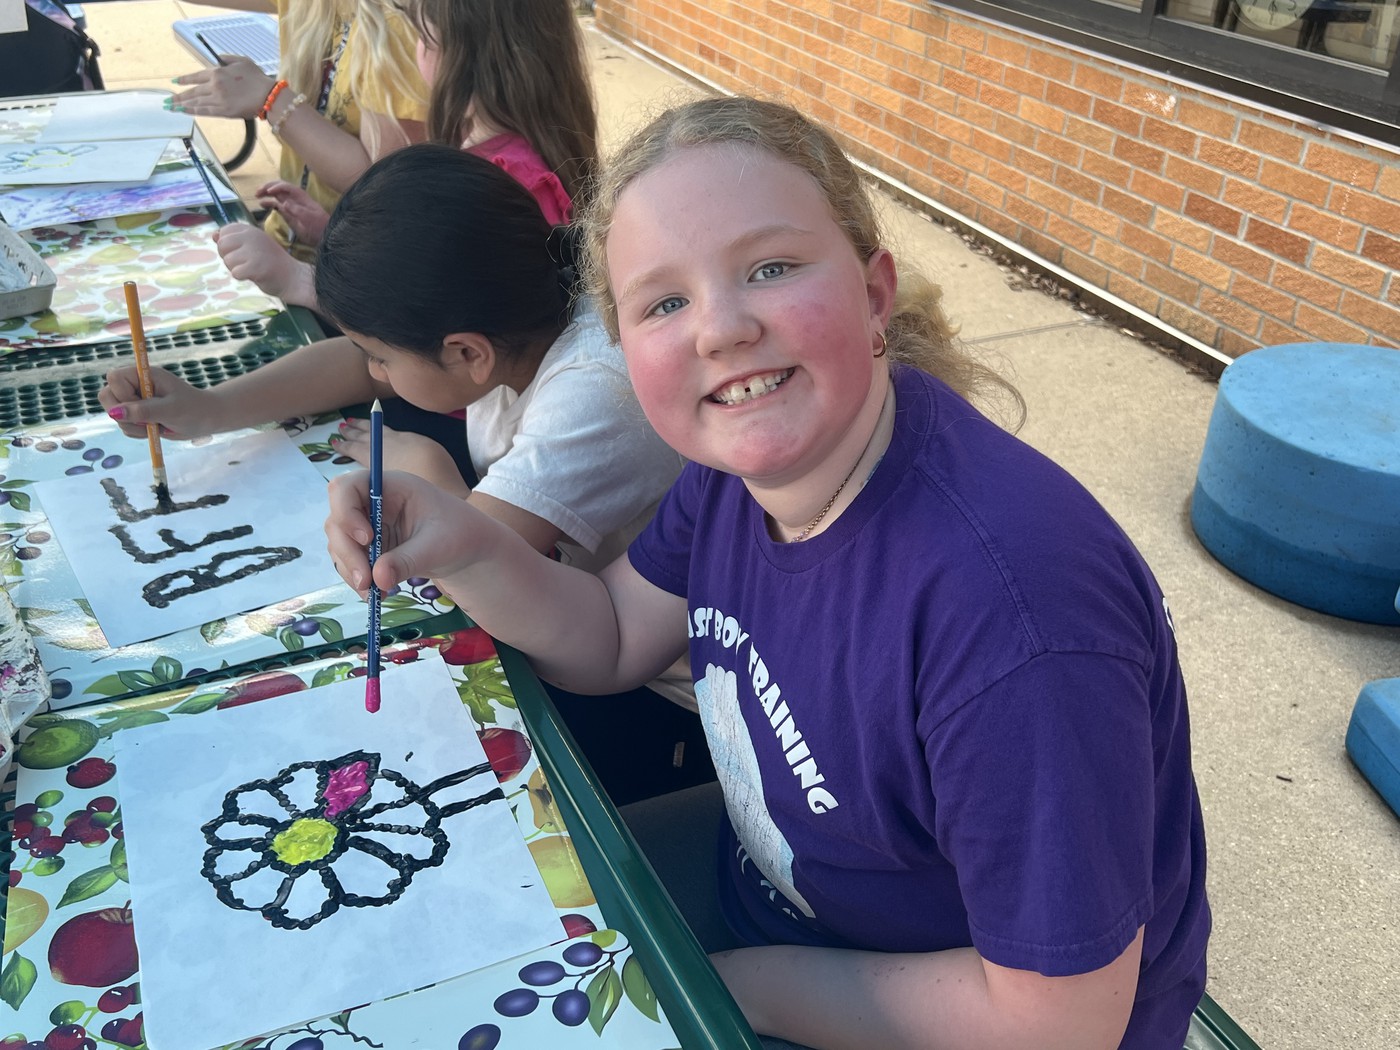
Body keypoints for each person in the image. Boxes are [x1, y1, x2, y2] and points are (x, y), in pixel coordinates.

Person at [323, 96, 1211, 1050]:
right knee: (438, 931)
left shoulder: (1013, 611)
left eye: (771, 269)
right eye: (665, 301)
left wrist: (745, 991)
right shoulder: (735, 479)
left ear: (874, 294)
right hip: (782, 906)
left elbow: (1061, 1021)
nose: (721, 330)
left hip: (938, 1013)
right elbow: (615, 635)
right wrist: (463, 541)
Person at [100, 144, 710, 804]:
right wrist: (208, 409)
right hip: (593, 634)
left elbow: (466, 559)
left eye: (382, 357)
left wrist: (429, 468)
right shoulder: (520, 305)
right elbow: (358, 364)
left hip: (667, 707)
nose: (374, 373)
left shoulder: (595, 388)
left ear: (467, 353)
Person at [216, 0, 596, 313]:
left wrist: (297, 279)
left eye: (423, 37)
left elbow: (418, 334)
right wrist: (331, 230)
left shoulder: (495, 183)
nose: (414, 48)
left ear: (461, 58)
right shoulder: (495, 164)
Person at [168, 0, 428, 261]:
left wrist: (271, 99)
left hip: (349, 274)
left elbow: (384, 180)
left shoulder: (399, 26)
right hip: (287, 248)